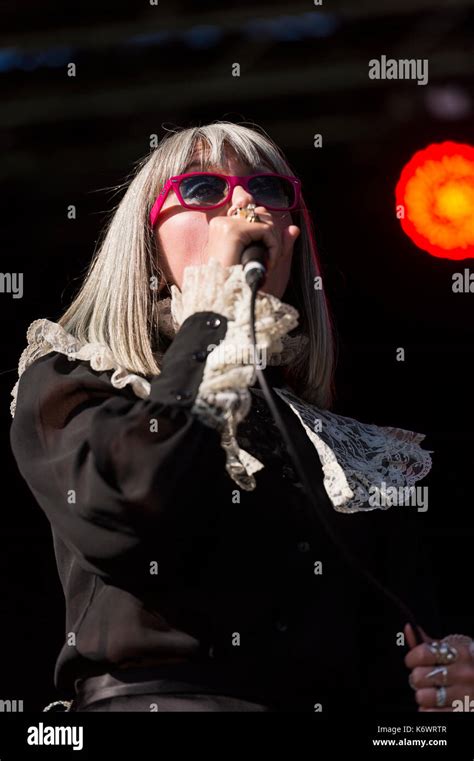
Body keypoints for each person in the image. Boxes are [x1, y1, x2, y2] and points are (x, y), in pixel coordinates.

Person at [9, 121, 474, 713]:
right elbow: (127, 505)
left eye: (271, 189)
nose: (244, 202)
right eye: (202, 188)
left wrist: (447, 692)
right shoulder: (80, 382)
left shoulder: (353, 456)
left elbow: (400, 656)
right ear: (147, 245)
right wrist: (214, 322)